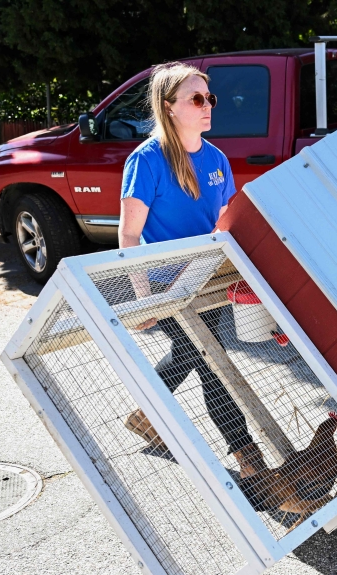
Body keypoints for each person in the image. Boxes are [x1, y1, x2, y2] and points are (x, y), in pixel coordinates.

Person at [118, 61, 266, 479]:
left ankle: (146, 416)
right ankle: (248, 455)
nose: (207, 106)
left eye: (209, 98)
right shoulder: (146, 160)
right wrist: (143, 298)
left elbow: (223, 224)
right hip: (166, 286)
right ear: (169, 107)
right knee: (210, 360)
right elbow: (129, 234)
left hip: (207, 280)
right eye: (196, 99)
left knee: (192, 352)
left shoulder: (216, 158)